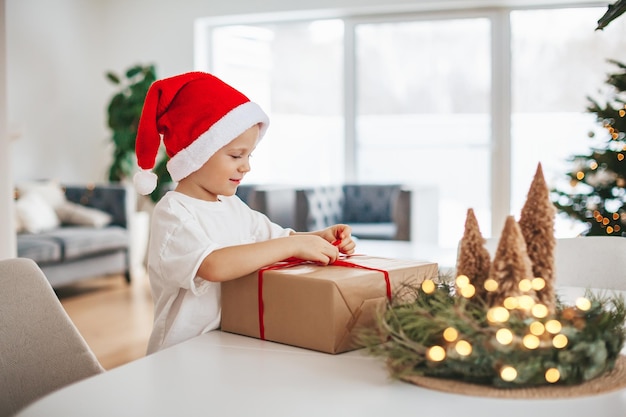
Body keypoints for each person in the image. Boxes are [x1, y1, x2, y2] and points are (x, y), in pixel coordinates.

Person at [133, 72, 356, 354]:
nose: (246, 167)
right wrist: (294, 243)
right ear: (198, 153)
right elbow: (214, 265)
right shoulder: (174, 212)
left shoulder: (232, 206)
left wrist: (318, 238)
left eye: (249, 156)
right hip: (181, 354)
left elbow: (276, 240)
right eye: (236, 156)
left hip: (228, 342)